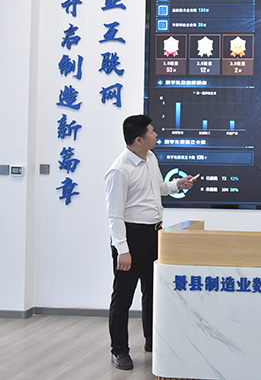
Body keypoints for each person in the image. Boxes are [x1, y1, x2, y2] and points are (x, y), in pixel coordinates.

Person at [104, 114, 196, 370]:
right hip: (131, 237)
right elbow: (114, 215)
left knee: (153, 292)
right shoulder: (119, 170)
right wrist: (122, 249)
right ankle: (119, 350)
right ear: (138, 139)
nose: (156, 135)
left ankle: (152, 340)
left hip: (155, 234)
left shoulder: (151, 158)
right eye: (152, 132)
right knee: (123, 297)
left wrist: (177, 185)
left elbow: (157, 189)